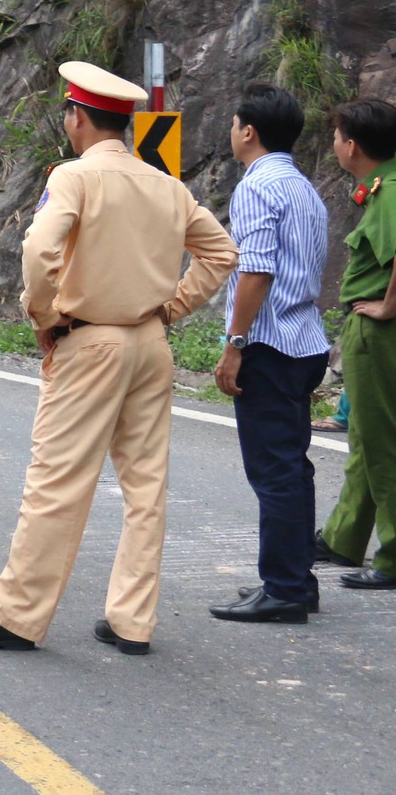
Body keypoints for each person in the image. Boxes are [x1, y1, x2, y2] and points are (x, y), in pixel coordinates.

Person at [0, 61, 237, 657]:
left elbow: (39, 246)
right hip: (150, 345)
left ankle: (18, 616)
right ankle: (132, 621)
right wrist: (170, 309)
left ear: (76, 117)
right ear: (123, 125)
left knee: (57, 483)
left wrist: (43, 315)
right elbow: (220, 253)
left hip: (89, 341)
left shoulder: (73, 177)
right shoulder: (166, 185)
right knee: (145, 486)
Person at [208, 84, 331, 623]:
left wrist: (235, 344)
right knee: (292, 467)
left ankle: (282, 589)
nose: (232, 133)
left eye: (234, 124)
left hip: (270, 344)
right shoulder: (304, 187)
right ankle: (297, 582)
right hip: (305, 341)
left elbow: (256, 270)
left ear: (248, 130)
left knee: (274, 471)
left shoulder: (257, 187)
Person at [316, 98, 396, 591]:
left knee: (382, 442)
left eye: (337, 136)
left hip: (380, 331)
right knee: (368, 436)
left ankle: (392, 557)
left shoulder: (389, 192)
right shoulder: (382, 184)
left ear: (353, 144)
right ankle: (345, 536)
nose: (334, 144)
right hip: (372, 328)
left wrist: (387, 306)